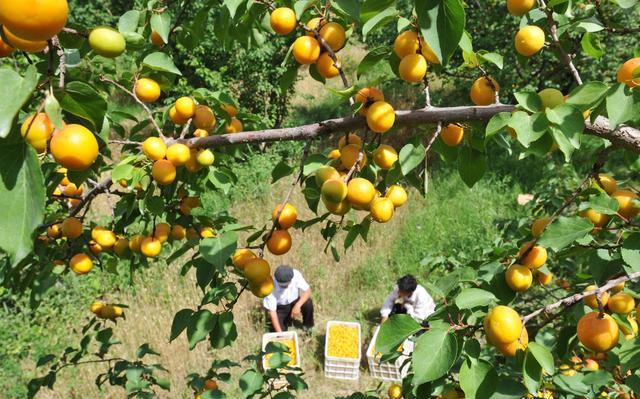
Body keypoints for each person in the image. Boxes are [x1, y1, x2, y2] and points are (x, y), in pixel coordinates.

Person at [263, 265, 314, 333]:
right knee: (277, 331)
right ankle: (286, 323)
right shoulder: (270, 287)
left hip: (294, 301)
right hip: (280, 307)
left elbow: (308, 291)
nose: (285, 287)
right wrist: (281, 334)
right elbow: (273, 313)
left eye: (287, 284)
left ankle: (308, 326)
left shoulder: (296, 275)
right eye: (282, 286)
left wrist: (298, 305)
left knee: (308, 303)